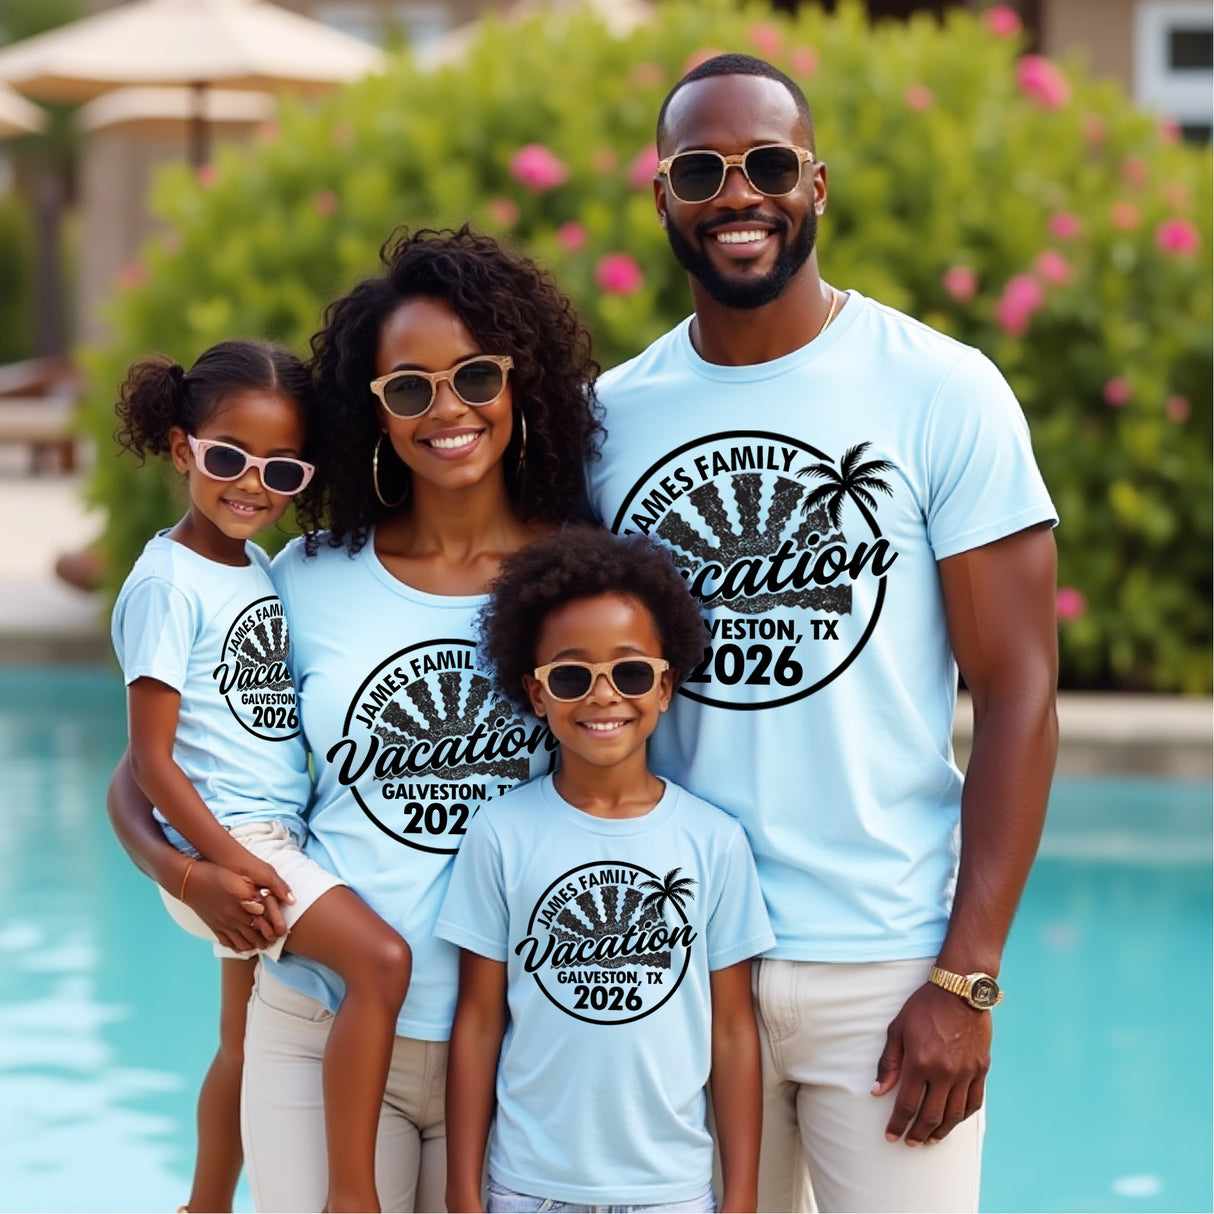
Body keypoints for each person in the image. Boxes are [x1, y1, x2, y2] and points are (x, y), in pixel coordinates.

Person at [586, 54, 1059, 1214]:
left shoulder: (939, 390)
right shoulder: (608, 419)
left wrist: (967, 976)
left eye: (766, 164)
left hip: (888, 966)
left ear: (817, 185)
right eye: (699, 168)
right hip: (678, 963)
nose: (735, 191)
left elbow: (1018, 691)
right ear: (661, 198)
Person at [106, 226, 603, 1213]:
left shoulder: (581, 583)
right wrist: (187, 874)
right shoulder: (300, 578)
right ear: (370, 412)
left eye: (474, 374)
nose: (445, 408)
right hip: (318, 1030)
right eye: (408, 388)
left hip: (517, 1044)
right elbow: (145, 767)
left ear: (520, 382)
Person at [109, 340, 413, 1214]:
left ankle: (202, 1205)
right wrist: (217, 866)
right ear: (182, 450)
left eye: (280, 470)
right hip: (235, 837)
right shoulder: (169, 583)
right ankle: (352, 1194)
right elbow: (150, 761)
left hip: (264, 827)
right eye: (228, 458)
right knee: (381, 962)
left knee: (240, 1043)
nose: (252, 485)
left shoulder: (256, 567)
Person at [438, 526, 774, 1214]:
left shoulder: (713, 842)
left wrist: (741, 1196)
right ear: (537, 694)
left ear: (663, 688)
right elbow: (478, 1023)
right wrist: (461, 1192)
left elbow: (734, 1031)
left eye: (628, 672)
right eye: (570, 675)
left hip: (672, 1193)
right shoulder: (501, 835)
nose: (602, 696)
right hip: (528, 1189)